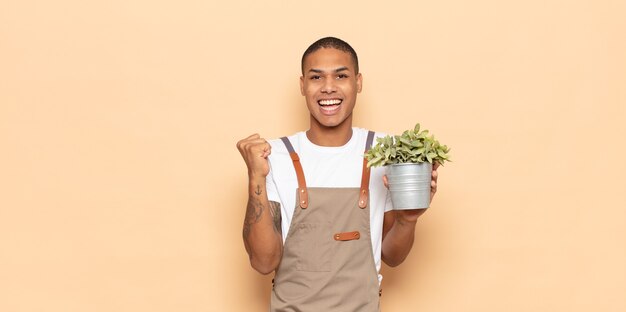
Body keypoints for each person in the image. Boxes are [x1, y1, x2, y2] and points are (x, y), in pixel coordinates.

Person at [236, 37, 440, 312]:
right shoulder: (273, 155)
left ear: (358, 82)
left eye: (340, 76)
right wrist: (255, 177)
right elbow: (263, 263)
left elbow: (392, 256)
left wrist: (408, 219)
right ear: (302, 85)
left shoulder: (386, 152)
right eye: (316, 77)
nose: (328, 87)